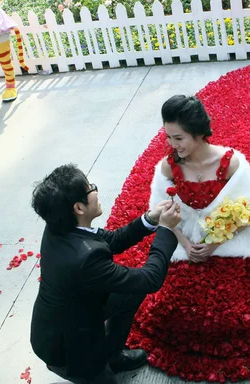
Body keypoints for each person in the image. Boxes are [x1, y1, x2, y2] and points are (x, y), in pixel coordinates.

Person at [30, 164, 181, 384]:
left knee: (131, 293)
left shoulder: (59, 226)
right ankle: (100, 365)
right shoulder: (84, 259)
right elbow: (150, 279)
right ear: (79, 208)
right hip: (67, 348)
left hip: (78, 310)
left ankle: (113, 355)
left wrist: (151, 218)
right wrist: (167, 230)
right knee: (101, 377)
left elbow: (112, 241)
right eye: (90, 187)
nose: (95, 190)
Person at [148, 95, 250, 262]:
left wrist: (215, 243)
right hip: (182, 245)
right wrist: (186, 245)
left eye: (178, 138)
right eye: (168, 137)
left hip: (230, 244)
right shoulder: (169, 166)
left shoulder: (231, 164)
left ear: (199, 133)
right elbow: (160, 211)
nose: (172, 144)